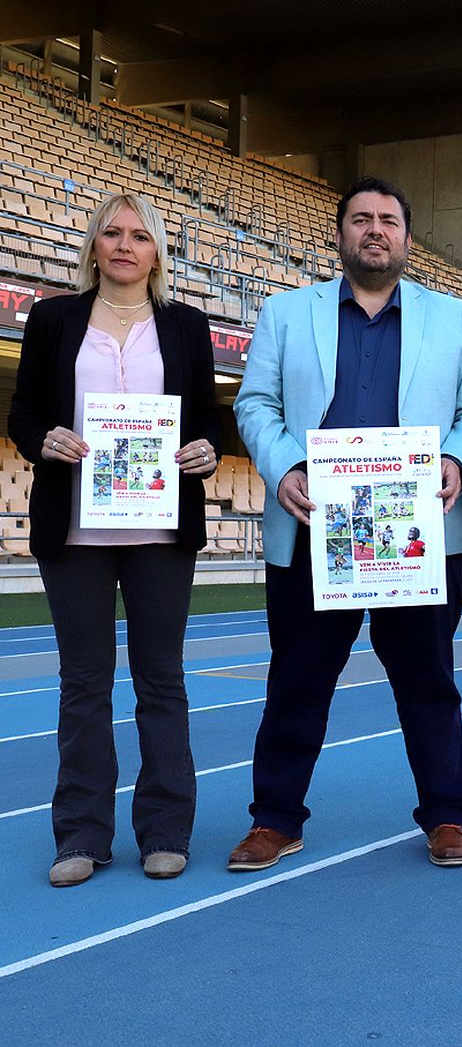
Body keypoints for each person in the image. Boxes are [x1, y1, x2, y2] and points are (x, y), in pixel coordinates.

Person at [230, 177, 462, 871]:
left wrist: (456, 462)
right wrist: (285, 465)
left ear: (407, 237)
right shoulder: (287, 313)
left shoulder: (454, 317)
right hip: (314, 527)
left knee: (429, 681)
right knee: (296, 681)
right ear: (340, 233)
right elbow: (255, 404)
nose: (374, 230)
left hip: (418, 534)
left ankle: (445, 815)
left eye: (388, 220)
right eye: (360, 219)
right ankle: (276, 819)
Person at [9, 193, 219, 887]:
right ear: (93, 246)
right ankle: (81, 835)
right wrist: (44, 438)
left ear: (157, 251)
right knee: (84, 683)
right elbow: (23, 416)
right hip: (75, 532)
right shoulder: (53, 318)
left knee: (162, 681)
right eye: (112, 233)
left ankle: (164, 829)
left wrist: (205, 451)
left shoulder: (186, 325)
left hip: (160, 529)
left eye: (139, 235)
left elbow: (209, 423)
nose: (125, 245)